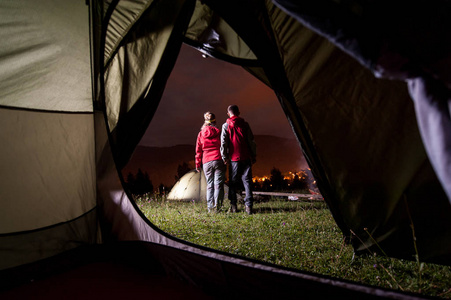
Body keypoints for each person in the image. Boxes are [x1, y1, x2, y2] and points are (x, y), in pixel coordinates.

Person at [221, 105, 256, 215]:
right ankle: (249, 206)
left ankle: (234, 206)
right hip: (246, 157)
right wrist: (253, 155)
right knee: (247, 182)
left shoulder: (226, 125)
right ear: (239, 112)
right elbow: (251, 141)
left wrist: (224, 157)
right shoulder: (245, 124)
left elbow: (223, 142)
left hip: (233, 158)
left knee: (233, 182)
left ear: (228, 113)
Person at [195, 112, 225, 213]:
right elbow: (223, 145)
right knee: (218, 185)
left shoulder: (201, 134)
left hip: (206, 161)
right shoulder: (219, 132)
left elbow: (198, 150)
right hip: (218, 159)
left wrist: (197, 164)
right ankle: (218, 207)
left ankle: (210, 208)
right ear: (215, 121)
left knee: (210, 185)